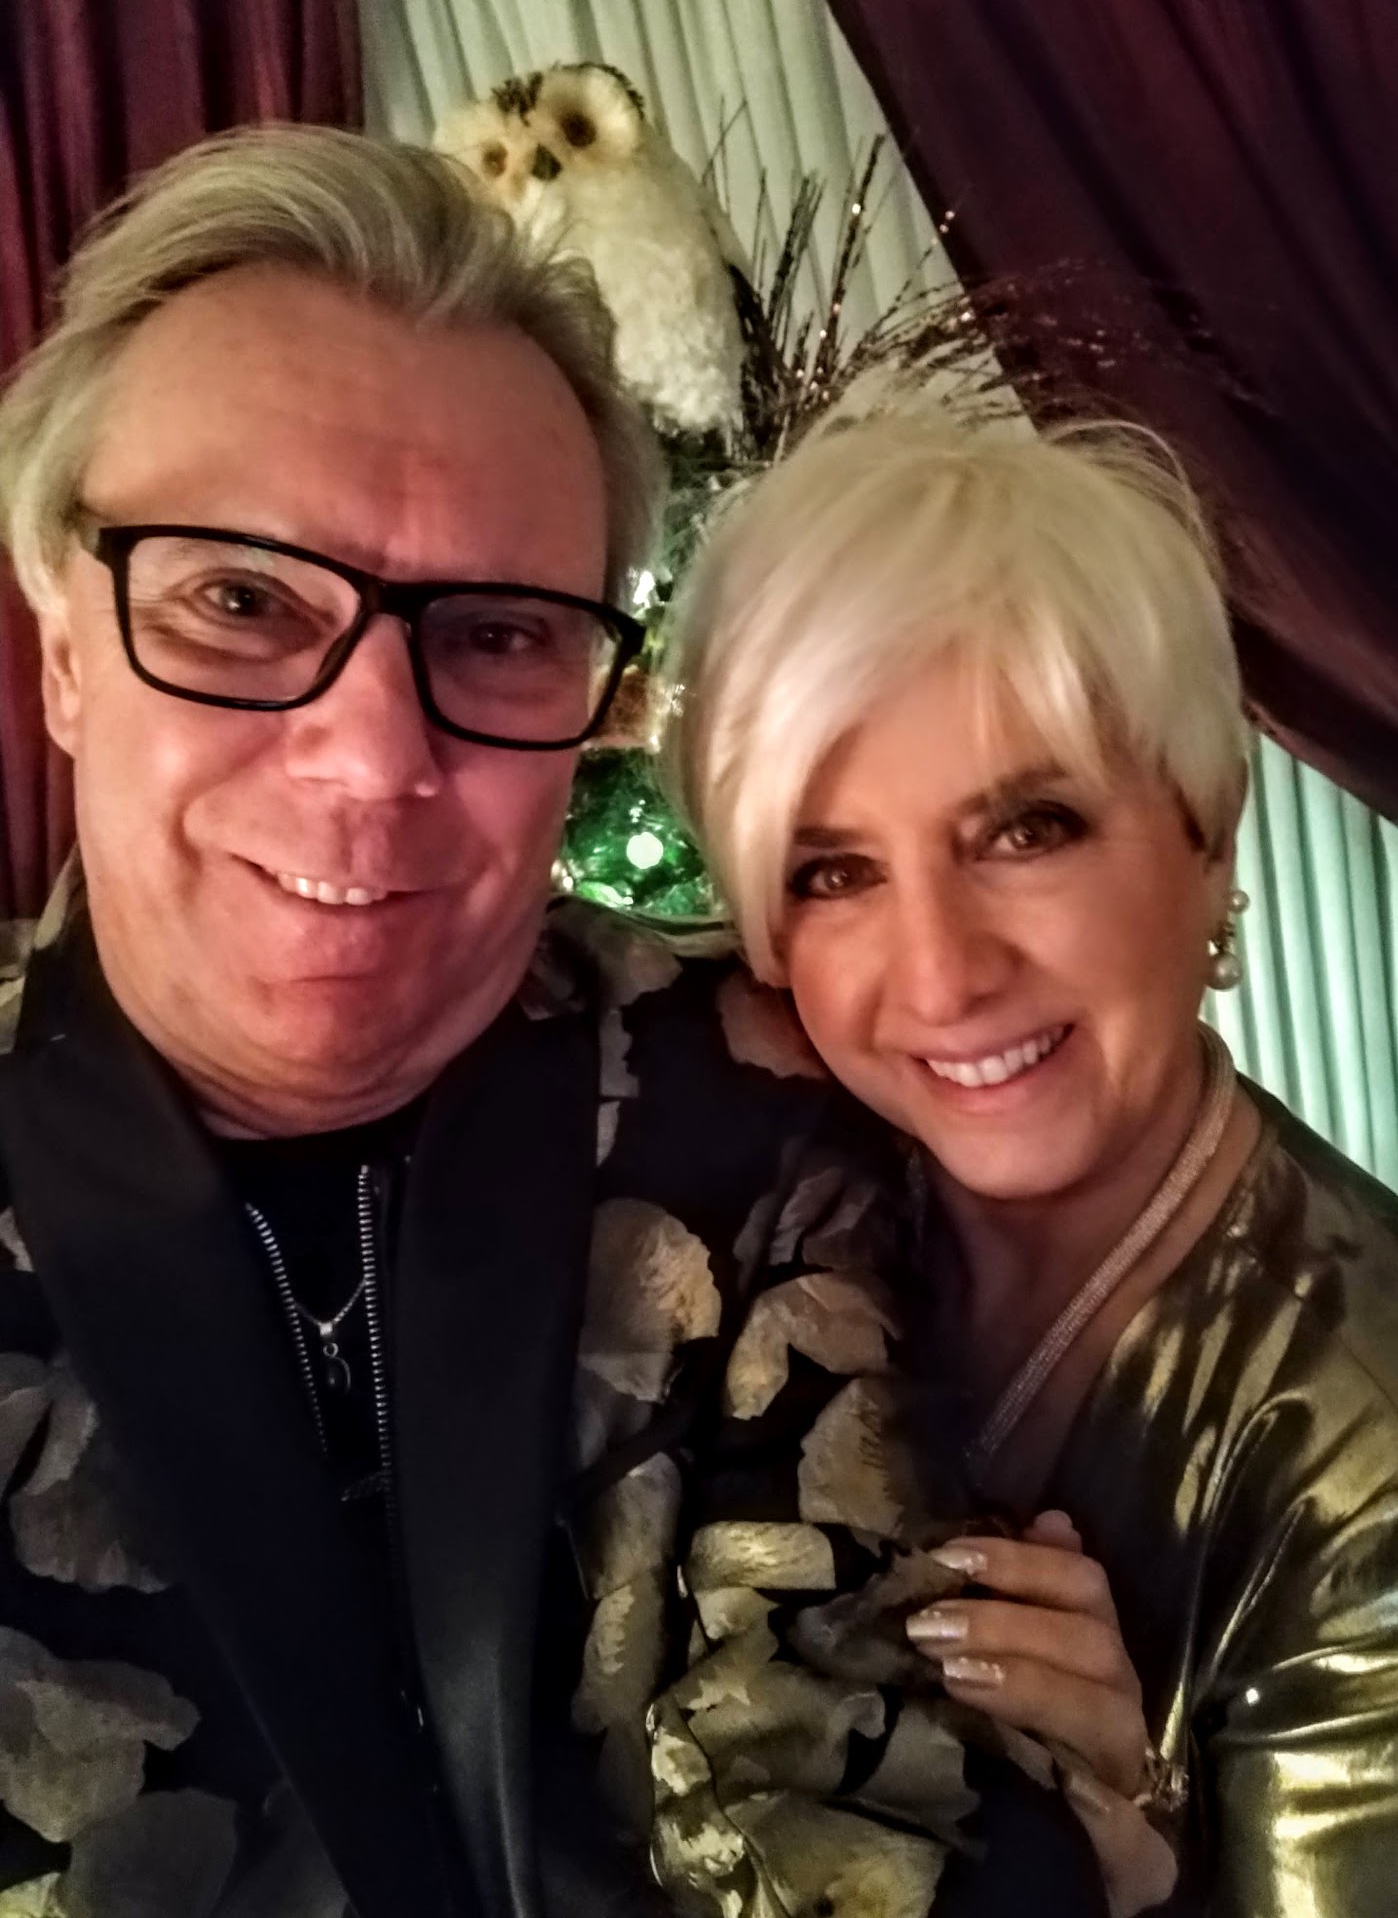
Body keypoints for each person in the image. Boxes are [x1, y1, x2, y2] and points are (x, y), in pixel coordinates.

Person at [0, 128, 1109, 1918]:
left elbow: (849, 1808)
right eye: (239, 601)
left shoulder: (750, 1115)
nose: (372, 758)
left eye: (499, 633)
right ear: (65, 645)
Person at [666, 401, 1398, 1917]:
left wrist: (1126, 1866)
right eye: (835, 870)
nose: (941, 976)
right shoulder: (756, 1187)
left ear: (1206, 830)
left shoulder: (1368, 1460)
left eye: (1027, 829)